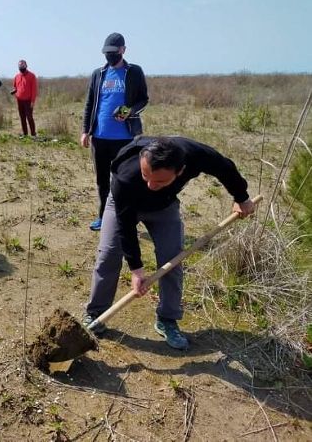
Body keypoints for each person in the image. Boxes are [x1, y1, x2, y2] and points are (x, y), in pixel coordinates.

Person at [83, 136, 256, 349]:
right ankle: (96, 313)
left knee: (172, 258)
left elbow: (224, 167)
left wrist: (242, 197)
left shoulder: (195, 155)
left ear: (180, 171)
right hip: (125, 204)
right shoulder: (126, 174)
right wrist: (136, 270)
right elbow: (125, 226)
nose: (151, 185)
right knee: (109, 253)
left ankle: (167, 319)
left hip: (164, 207)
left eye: (160, 181)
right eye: (146, 176)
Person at [81, 33, 149, 232]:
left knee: (125, 180)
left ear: (123, 50)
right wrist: (85, 131)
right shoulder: (98, 74)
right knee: (102, 181)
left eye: (113, 52)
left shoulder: (134, 72)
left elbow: (143, 99)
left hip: (126, 138)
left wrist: (129, 111)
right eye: (106, 53)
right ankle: (103, 216)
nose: (109, 56)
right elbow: (89, 104)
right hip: (100, 138)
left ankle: (128, 217)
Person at [11, 59, 37, 137]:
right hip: (19, 100)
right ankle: (25, 134)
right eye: (19, 65)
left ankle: (33, 134)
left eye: (22, 65)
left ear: (26, 65)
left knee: (29, 117)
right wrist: (15, 92)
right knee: (22, 118)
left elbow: (34, 90)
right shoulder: (17, 76)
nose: (21, 66)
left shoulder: (32, 76)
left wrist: (32, 101)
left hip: (28, 101)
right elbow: (16, 87)